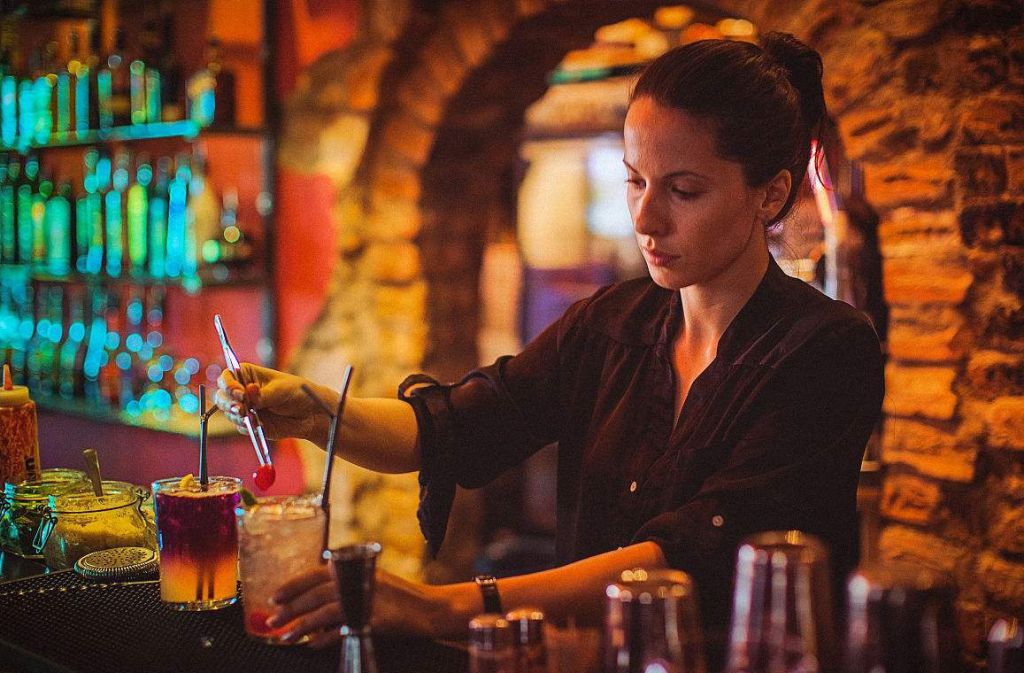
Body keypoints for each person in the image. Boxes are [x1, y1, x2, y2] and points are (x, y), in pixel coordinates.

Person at [216, 32, 884, 666]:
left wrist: (441, 607)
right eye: (635, 181)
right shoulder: (612, 324)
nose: (646, 217)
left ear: (771, 193)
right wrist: (315, 412)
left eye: (684, 190)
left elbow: (694, 553)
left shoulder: (826, 350)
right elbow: (458, 424)